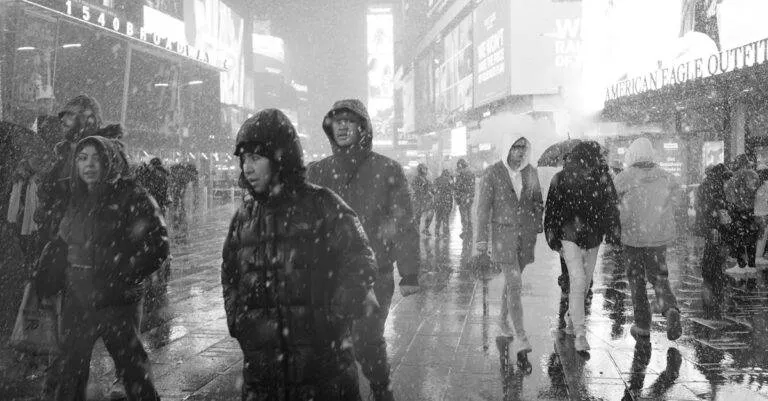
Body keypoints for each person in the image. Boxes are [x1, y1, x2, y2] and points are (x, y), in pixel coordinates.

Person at [222, 109, 377, 400]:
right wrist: (238, 319)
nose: (247, 168)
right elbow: (229, 272)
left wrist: (335, 315)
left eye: (256, 158)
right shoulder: (244, 216)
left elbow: (360, 260)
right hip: (263, 373)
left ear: (280, 159)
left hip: (323, 371)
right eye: (243, 159)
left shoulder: (323, 205)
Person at [306, 99, 420, 401]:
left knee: (366, 340)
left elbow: (404, 223)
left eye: (350, 120)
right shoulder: (317, 172)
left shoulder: (387, 169)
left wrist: (409, 272)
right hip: (329, 276)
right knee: (333, 347)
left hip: (374, 275)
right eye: (337, 121)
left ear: (363, 127)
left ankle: (381, 386)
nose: (342, 126)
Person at [50, 135, 168, 401]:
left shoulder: (133, 195)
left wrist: (123, 275)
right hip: (77, 300)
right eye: (82, 158)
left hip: (116, 302)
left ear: (109, 161)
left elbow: (158, 244)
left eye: (96, 158)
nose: (88, 165)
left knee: (133, 372)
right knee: (69, 372)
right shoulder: (75, 198)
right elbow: (65, 239)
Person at [545, 141, 620, 352]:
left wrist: (613, 232)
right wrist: (553, 238)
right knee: (578, 279)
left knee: (584, 283)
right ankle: (580, 332)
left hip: (593, 237)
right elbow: (552, 210)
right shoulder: (561, 178)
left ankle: (571, 316)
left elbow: (611, 206)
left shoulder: (602, 177)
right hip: (570, 236)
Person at [476, 136, 543, 368]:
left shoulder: (531, 172)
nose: (519, 152)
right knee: (515, 283)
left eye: (523, 147)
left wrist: (536, 222)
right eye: (515, 147)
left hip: (525, 239)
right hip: (503, 238)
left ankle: (503, 320)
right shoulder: (493, 173)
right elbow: (483, 209)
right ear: (507, 148)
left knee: (511, 284)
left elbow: (537, 202)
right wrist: (481, 242)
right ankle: (522, 338)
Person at [613, 138, 682, 341]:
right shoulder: (667, 177)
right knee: (659, 278)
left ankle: (643, 325)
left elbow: (611, 203)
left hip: (632, 238)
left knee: (637, 281)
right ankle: (670, 309)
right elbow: (678, 201)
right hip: (658, 239)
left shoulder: (623, 178)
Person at [695, 163, 732, 319]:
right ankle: (712, 271)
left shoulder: (706, 183)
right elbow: (714, 204)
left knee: (711, 246)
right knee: (713, 246)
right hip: (712, 222)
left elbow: (702, 205)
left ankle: (710, 270)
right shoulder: (714, 185)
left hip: (707, 221)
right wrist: (718, 214)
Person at [724, 154, 759, 271]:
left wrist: (735, 204)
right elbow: (756, 192)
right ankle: (752, 264)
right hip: (752, 210)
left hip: (739, 211)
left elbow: (730, 194)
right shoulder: (754, 174)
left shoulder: (736, 176)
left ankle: (741, 264)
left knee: (738, 237)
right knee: (751, 238)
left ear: (739, 163)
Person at [454, 158, 475, 239]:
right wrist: (471, 196)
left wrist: (458, 197)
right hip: (469, 197)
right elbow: (472, 186)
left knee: (464, 215)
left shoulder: (462, 174)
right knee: (469, 214)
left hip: (464, 197)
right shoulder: (471, 173)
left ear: (460, 166)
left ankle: (465, 231)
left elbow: (458, 186)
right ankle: (470, 230)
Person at [412, 163, 435, 236]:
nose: (426, 170)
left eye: (426, 169)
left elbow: (432, 188)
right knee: (417, 216)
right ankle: (416, 231)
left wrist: (432, 191)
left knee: (431, 213)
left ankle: (426, 229)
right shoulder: (416, 179)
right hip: (418, 200)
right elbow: (415, 188)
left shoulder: (427, 180)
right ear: (420, 170)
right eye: (425, 169)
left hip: (426, 200)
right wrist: (423, 190)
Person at [432, 169, 454, 238]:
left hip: (438, 202)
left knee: (438, 218)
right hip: (446, 202)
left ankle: (436, 233)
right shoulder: (449, 180)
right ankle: (445, 234)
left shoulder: (436, 180)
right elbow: (453, 188)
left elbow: (433, 190)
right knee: (445, 218)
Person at [753, 169, 768, 265]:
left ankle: (756, 255)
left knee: (758, 235)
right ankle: (759, 256)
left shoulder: (756, 185)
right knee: (763, 236)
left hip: (756, 213)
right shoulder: (766, 186)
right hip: (765, 213)